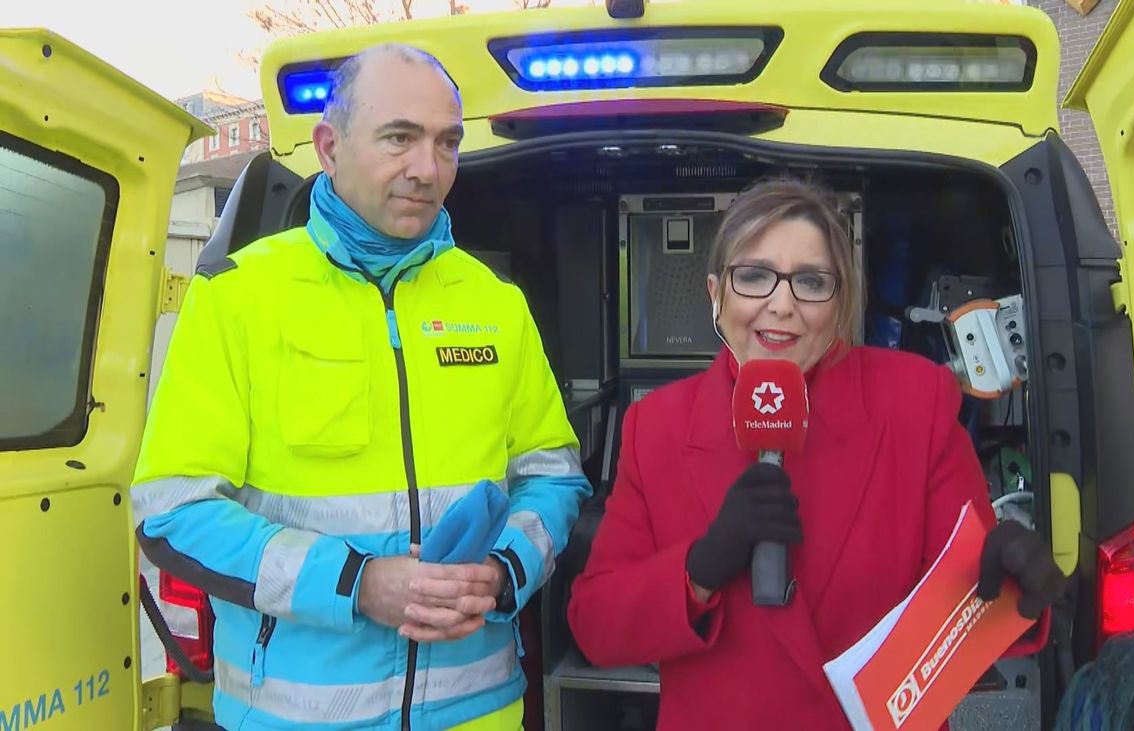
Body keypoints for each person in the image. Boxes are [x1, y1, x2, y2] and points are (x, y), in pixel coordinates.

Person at [131, 44, 591, 731]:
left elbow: (553, 474)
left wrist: (504, 571)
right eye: (400, 138)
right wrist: (357, 583)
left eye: (447, 143)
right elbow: (172, 509)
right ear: (329, 146)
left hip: (479, 713)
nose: (427, 169)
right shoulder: (238, 296)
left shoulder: (495, 302)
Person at [567, 179, 1064, 730]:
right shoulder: (656, 427)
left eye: (810, 281)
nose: (781, 305)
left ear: (842, 300)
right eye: (753, 276)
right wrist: (698, 570)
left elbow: (970, 603)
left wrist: (1013, 580)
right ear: (715, 294)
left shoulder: (913, 402)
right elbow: (597, 624)